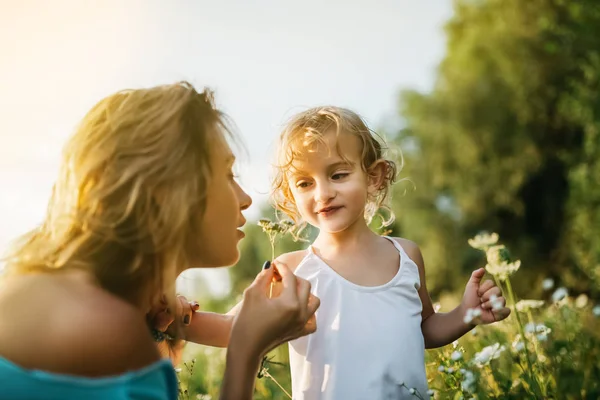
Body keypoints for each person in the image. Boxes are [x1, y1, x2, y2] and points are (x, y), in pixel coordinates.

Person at [0, 82, 319, 400]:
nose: (246, 198)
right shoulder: (114, 335)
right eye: (226, 174)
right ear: (166, 190)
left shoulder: (37, 290)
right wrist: (247, 349)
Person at [267, 106, 512, 399]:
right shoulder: (291, 270)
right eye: (305, 183)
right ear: (290, 195)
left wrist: (465, 314)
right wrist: (195, 321)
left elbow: (423, 329)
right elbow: (238, 328)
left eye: (338, 175)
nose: (322, 194)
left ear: (374, 177)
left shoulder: (406, 255)